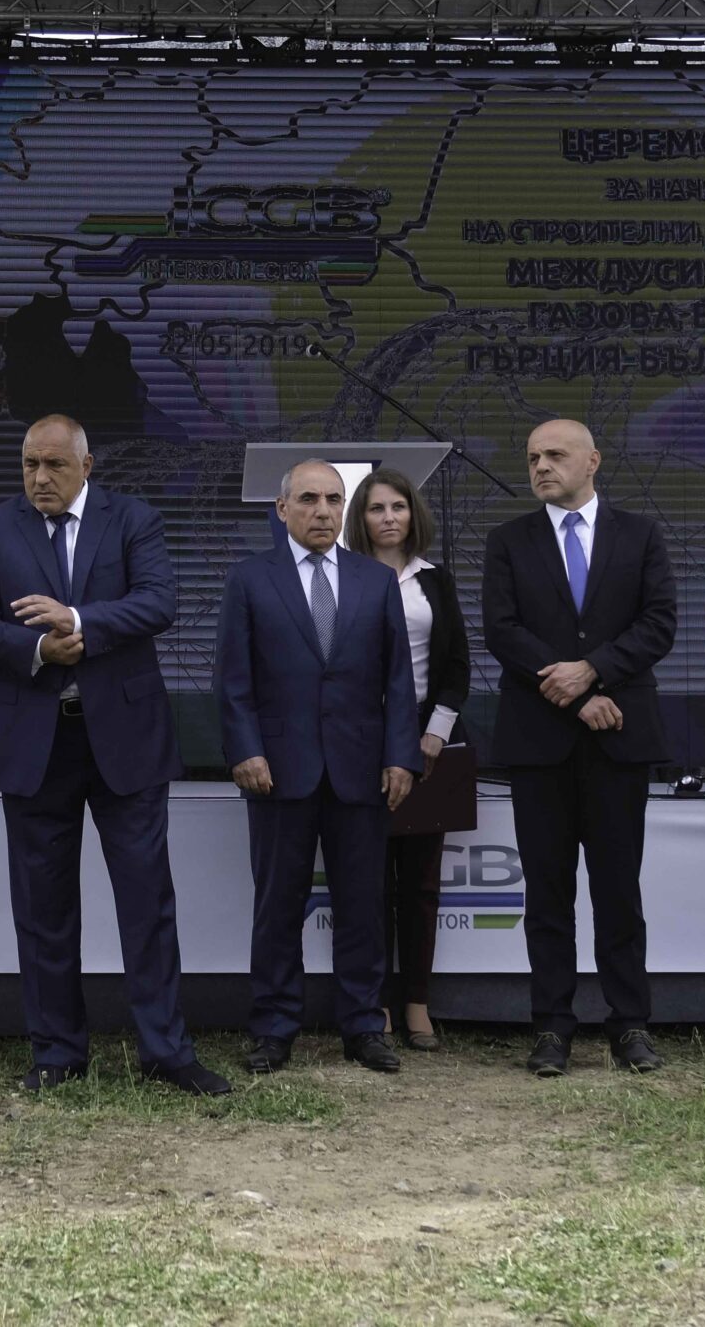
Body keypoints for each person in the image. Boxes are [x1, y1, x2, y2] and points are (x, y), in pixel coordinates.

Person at [0, 415, 231, 1096]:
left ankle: (166, 1051)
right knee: (42, 906)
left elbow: (159, 602)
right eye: (29, 464)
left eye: (53, 464)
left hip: (124, 738)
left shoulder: (133, 519)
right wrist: (38, 648)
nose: (39, 477)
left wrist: (79, 622)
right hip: (33, 742)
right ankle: (56, 1053)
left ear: (86, 465)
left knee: (146, 901)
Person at [481, 418, 678, 1076]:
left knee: (619, 891)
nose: (541, 466)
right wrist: (573, 693)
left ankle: (630, 1024)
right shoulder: (509, 540)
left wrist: (592, 670)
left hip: (619, 737)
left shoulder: (640, 534)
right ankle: (551, 1027)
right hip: (541, 743)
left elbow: (659, 623)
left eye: (555, 455)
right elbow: (503, 630)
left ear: (592, 460)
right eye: (532, 456)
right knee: (547, 894)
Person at [217, 459, 417, 1075]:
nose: (323, 511)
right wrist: (245, 749)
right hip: (278, 769)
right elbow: (232, 678)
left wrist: (400, 756)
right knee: (279, 904)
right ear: (283, 509)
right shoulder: (250, 579)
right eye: (308, 499)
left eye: (333, 499)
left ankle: (364, 1026)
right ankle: (274, 1028)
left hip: (360, 769)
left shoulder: (375, 580)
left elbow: (398, 680)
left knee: (363, 904)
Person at [350, 466, 473, 1051]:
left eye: (398, 507)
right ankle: (374, 1001)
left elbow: (458, 664)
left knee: (421, 883)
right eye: (377, 508)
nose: (389, 518)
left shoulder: (436, 581)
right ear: (361, 518)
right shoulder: (343, 575)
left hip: (429, 740)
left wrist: (436, 732)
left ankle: (417, 1002)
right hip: (361, 738)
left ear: (413, 514)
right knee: (368, 882)